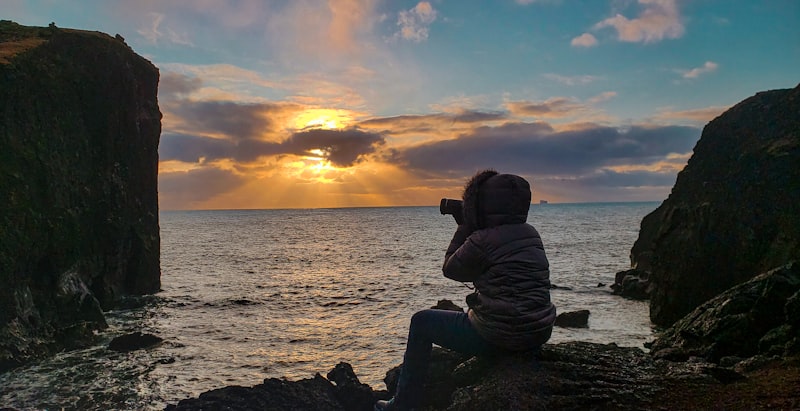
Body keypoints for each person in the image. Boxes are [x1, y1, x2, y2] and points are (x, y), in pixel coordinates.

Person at [375, 169, 557, 411]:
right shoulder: (531, 233)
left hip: (500, 336)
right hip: (538, 332)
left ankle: (404, 404)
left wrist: (464, 226)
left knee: (421, 322)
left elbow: (451, 269)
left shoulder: (482, 239)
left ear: (481, 205)